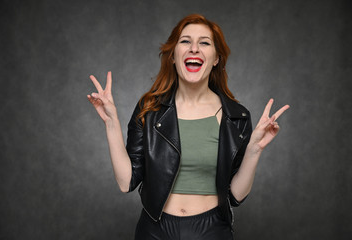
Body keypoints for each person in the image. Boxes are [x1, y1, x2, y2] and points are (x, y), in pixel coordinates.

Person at [87, 14, 289, 240]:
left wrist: (254, 151)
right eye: (185, 41)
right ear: (173, 56)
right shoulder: (149, 109)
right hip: (155, 230)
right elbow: (126, 182)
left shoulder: (237, 117)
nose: (194, 48)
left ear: (216, 59)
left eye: (204, 42)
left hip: (212, 230)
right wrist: (112, 123)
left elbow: (235, 196)